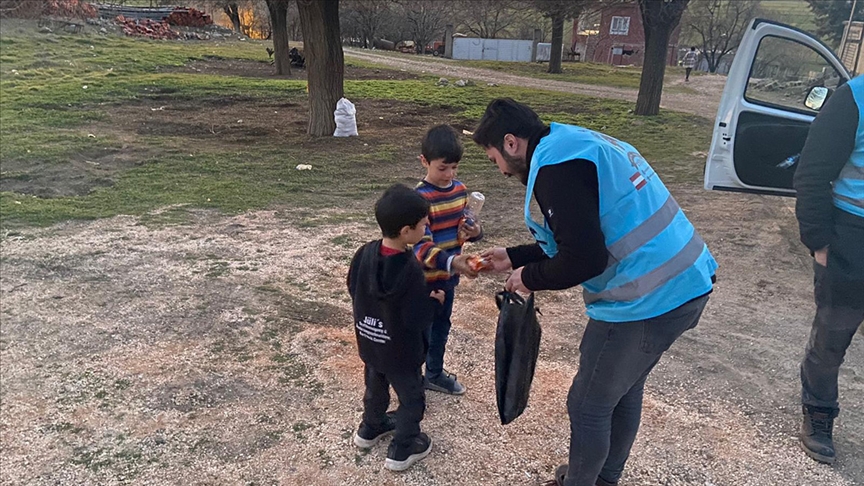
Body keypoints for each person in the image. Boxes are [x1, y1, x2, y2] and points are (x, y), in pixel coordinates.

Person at [472, 99, 718, 486]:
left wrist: (528, 277)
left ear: (510, 143)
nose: (500, 170)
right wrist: (514, 256)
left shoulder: (555, 169)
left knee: (587, 405)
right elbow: (582, 235)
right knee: (622, 390)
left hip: (647, 299)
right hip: (685, 281)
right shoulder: (571, 143)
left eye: (494, 160)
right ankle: (602, 479)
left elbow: (583, 259)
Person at [793, 75, 864, 465]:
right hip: (853, 238)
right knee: (832, 338)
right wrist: (819, 242)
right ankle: (819, 412)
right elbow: (813, 173)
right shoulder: (854, 99)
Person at [347, 184, 438, 472]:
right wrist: (434, 302)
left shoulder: (365, 253)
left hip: (371, 343)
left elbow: (352, 286)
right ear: (406, 231)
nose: (427, 226)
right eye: (423, 223)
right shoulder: (410, 269)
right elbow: (416, 318)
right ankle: (403, 447)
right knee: (411, 398)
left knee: (375, 388)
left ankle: (369, 428)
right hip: (401, 353)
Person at [413, 125, 483, 395]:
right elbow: (420, 246)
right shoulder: (419, 199)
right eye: (442, 168)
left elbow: (466, 223)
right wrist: (454, 262)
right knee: (421, 330)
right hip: (424, 281)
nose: (449, 175)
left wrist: (474, 230)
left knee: (442, 326)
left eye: (454, 168)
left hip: (449, 278)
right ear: (424, 161)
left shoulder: (460, 190)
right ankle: (412, 378)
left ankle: (434, 373)